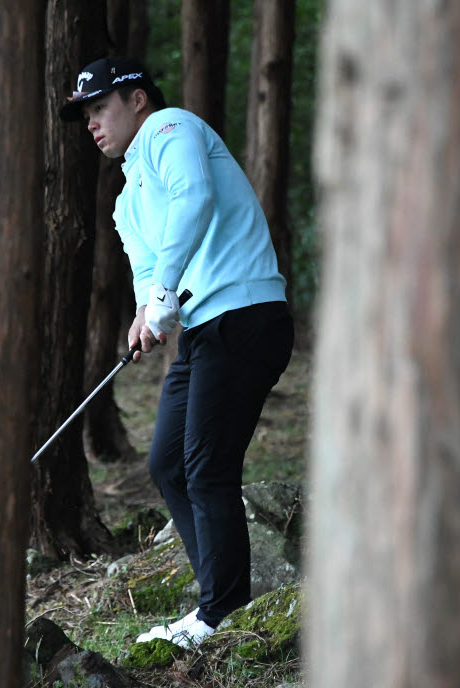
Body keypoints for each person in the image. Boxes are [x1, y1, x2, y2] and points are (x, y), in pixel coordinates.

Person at [60, 57, 294, 649]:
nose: (92, 124)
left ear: (137, 100)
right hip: (203, 330)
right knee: (168, 462)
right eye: (85, 115)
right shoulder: (125, 197)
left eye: (100, 108)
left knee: (206, 466)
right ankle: (220, 597)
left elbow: (195, 198)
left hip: (245, 314)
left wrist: (165, 293)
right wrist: (147, 313)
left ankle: (220, 612)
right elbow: (144, 268)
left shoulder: (171, 129)